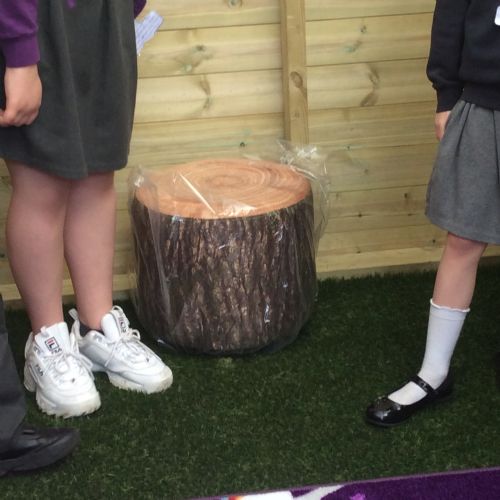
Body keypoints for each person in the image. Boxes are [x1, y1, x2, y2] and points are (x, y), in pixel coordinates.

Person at [0, 0, 173, 421]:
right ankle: (48, 341)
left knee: (98, 174)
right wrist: (19, 54)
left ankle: (97, 328)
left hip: (104, 16)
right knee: (41, 182)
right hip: (36, 18)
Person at [366, 0, 500, 426]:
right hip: (483, 101)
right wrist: (446, 96)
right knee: (463, 238)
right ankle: (434, 374)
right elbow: (451, 13)